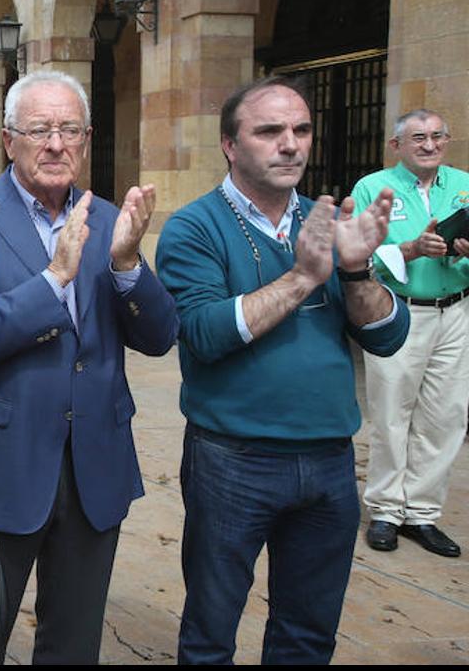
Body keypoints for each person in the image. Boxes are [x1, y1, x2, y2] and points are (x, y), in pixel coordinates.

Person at [155, 76, 410, 664]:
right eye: (269, 131)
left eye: (300, 130)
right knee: (211, 630)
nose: (290, 144)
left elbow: (389, 335)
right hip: (233, 461)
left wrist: (353, 270)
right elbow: (202, 334)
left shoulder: (326, 220)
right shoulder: (195, 227)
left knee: (308, 631)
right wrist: (301, 278)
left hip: (328, 461)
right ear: (230, 145)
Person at [0, 69, 179, 664]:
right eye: (39, 129)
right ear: (9, 139)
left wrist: (124, 266)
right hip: (2, 465)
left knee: (73, 644)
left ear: (87, 139)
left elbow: (162, 336)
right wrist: (53, 280)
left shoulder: (111, 219)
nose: (56, 144)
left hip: (96, 464)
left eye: (70, 129)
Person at [352, 109, 468, 558]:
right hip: (398, 310)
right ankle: (385, 509)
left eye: (438, 136)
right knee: (391, 413)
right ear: (397, 145)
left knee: (445, 416)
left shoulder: (463, 185)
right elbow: (360, 254)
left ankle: (422, 512)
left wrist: (461, 253)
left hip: (455, 310)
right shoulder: (373, 188)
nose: (430, 145)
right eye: (418, 137)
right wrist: (412, 248)